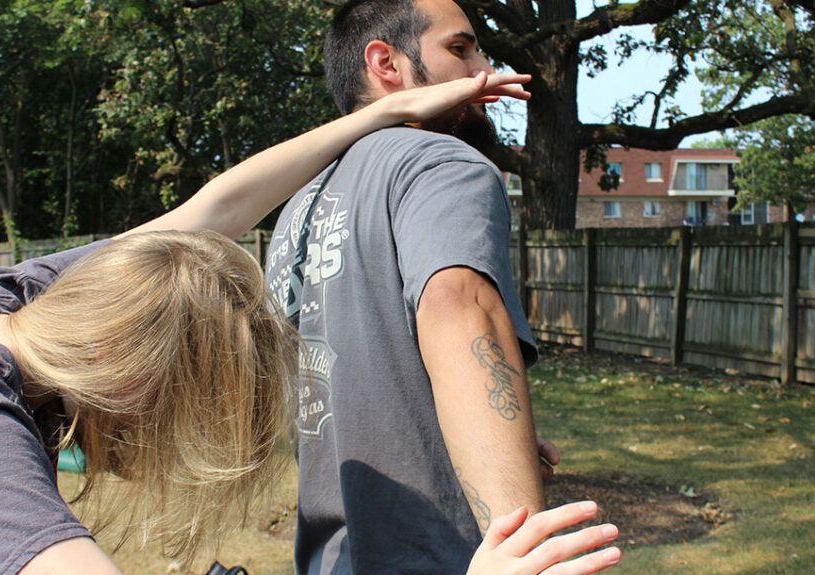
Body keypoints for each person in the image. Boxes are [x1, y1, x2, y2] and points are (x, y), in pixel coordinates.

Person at [0, 73, 616, 575]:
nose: (171, 442)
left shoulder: (11, 303)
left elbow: (217, 210)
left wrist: (386, 112)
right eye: (185, 412)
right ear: (125, 367)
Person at [264, 0, 621, 573]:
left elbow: (343, 388)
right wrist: (523, 549)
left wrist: (487, 441)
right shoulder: (439, 162)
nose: (484, 72)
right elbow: (460, 307)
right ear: (386, 63)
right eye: (460, 49)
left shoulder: (297, 211)